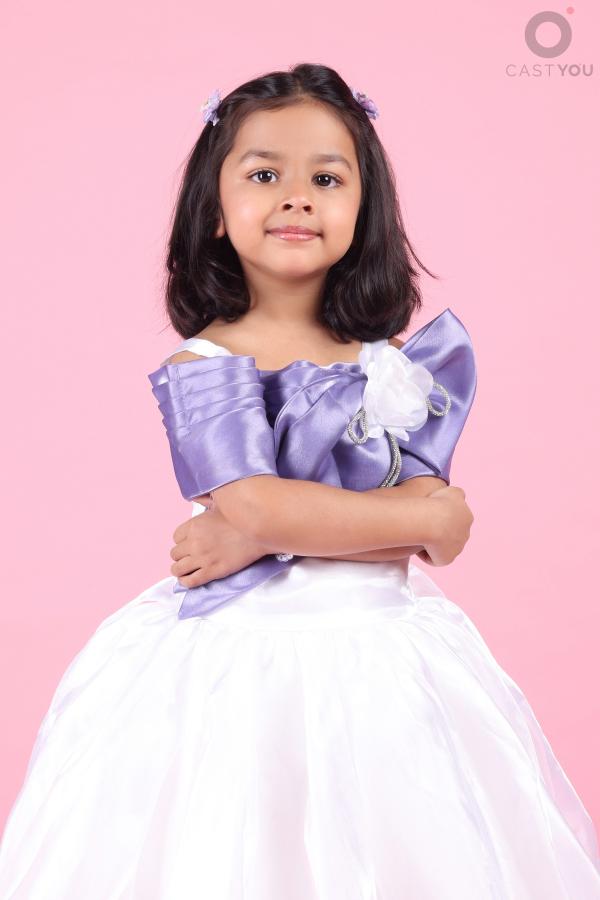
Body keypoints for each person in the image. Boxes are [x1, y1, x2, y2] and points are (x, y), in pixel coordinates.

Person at [0, 62, 599, 899]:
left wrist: (267, 534)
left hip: (385, 654)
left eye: (326, 178)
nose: (296, 197)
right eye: (263, 175)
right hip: (238, 665)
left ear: (365, 206)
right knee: (242, 846)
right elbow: (266, 500)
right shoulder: (206, 361)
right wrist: (389, 518)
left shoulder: (394, 363)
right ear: (214, 210)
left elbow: (430, 525)